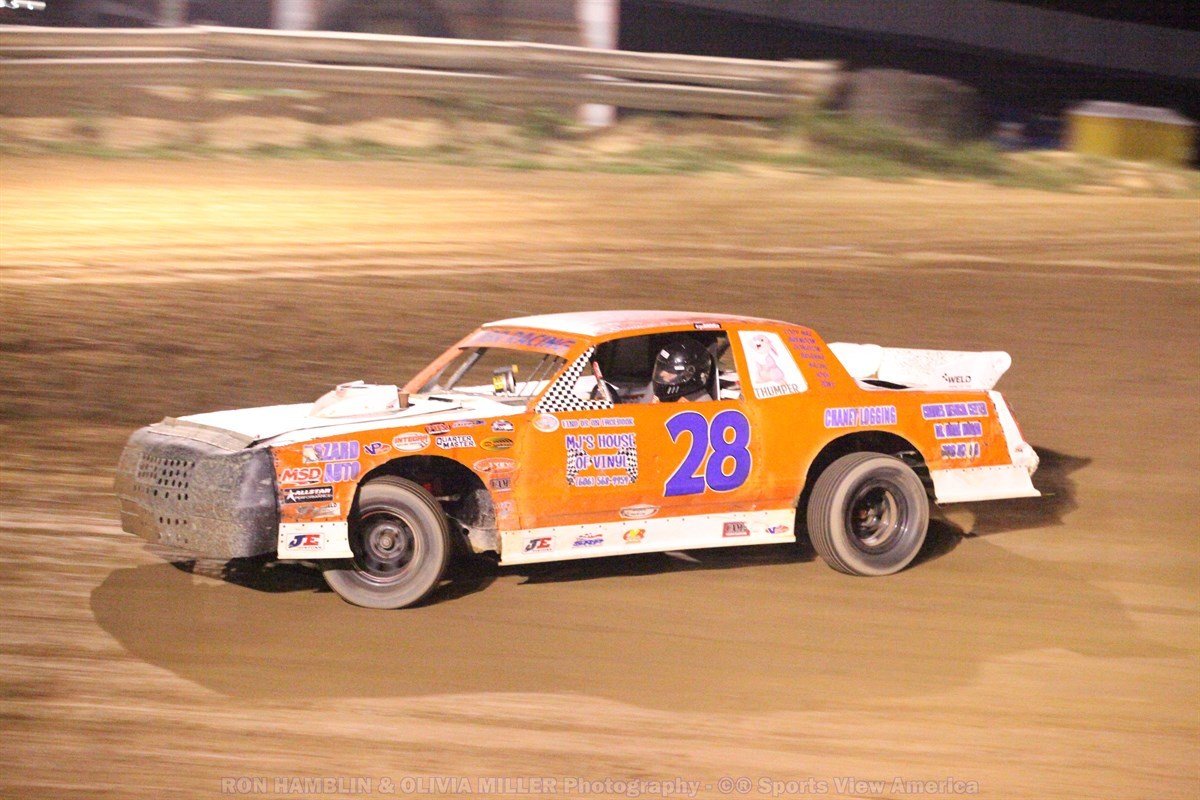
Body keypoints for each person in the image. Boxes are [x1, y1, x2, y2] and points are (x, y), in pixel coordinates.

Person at [650, 335, 713, 402]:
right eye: (662, 368)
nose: (662, 374)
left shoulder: (702, 403)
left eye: (669, 370)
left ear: (688, 373)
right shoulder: (660, 394)